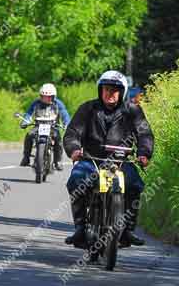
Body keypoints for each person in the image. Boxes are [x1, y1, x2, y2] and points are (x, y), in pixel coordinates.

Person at [63, 70, 154, 249]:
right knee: (76, 180)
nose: (110, 93)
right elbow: (72, 133)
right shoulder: (88, 108)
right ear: (100, 90)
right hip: (91, 160)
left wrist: (144, 153)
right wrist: (74, 149)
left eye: (115, 90)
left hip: (121, 162)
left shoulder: (133, 110)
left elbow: (144, 133)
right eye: (106, 89)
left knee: (135, 184)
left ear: (122, 92)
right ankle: (80, 228)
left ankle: (127, 230)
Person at [20, 83, 71, 171]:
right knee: (29, 135)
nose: (46, 99)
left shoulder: (58, 104)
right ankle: (26, 157)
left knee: (58, 140)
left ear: (53, 96)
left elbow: (64, 114)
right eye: (43, 96)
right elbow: (29, 113)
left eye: (49, 96)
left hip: (53, 126)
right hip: (38, 125)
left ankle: (57, 161)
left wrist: (67, 124)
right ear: (40, 96)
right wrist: (25, 121)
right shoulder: (36, 103)